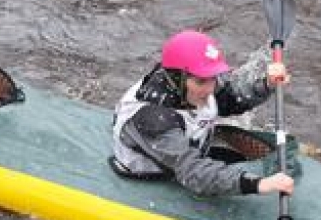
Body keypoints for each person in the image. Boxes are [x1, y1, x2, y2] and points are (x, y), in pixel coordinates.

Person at [111, 30, 295, 197]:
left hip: (189, 150)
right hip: (155, 175)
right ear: (177, 80)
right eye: (201, 82)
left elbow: (230, 100)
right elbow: (192, 172)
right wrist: (258, 184)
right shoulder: (154, 120)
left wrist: (266, 85)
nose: (210, 89)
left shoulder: (192, 81)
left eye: (213, 79)